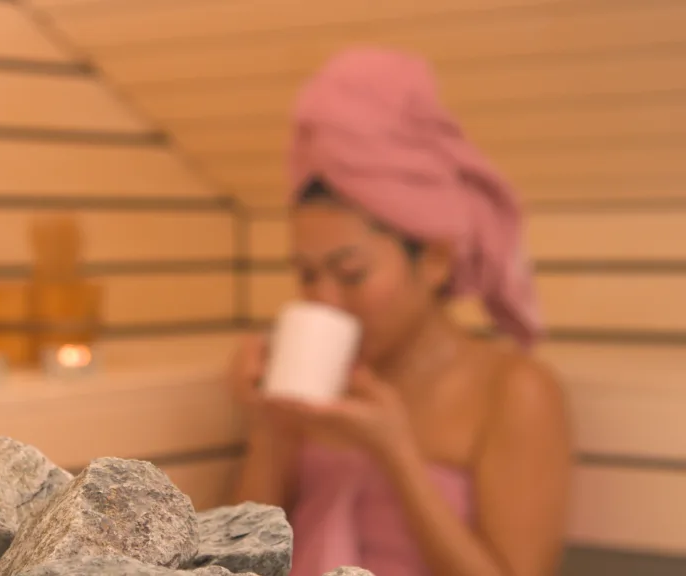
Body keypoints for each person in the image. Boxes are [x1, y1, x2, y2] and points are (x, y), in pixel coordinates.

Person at [226, 48, 572, 576]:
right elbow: (238, 566)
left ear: (433, 259)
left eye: (351, 274)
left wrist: (396, 454)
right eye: (306, 274)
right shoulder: (317, 377)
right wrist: (269, 428)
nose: (325, 300)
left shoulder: (514, 390)